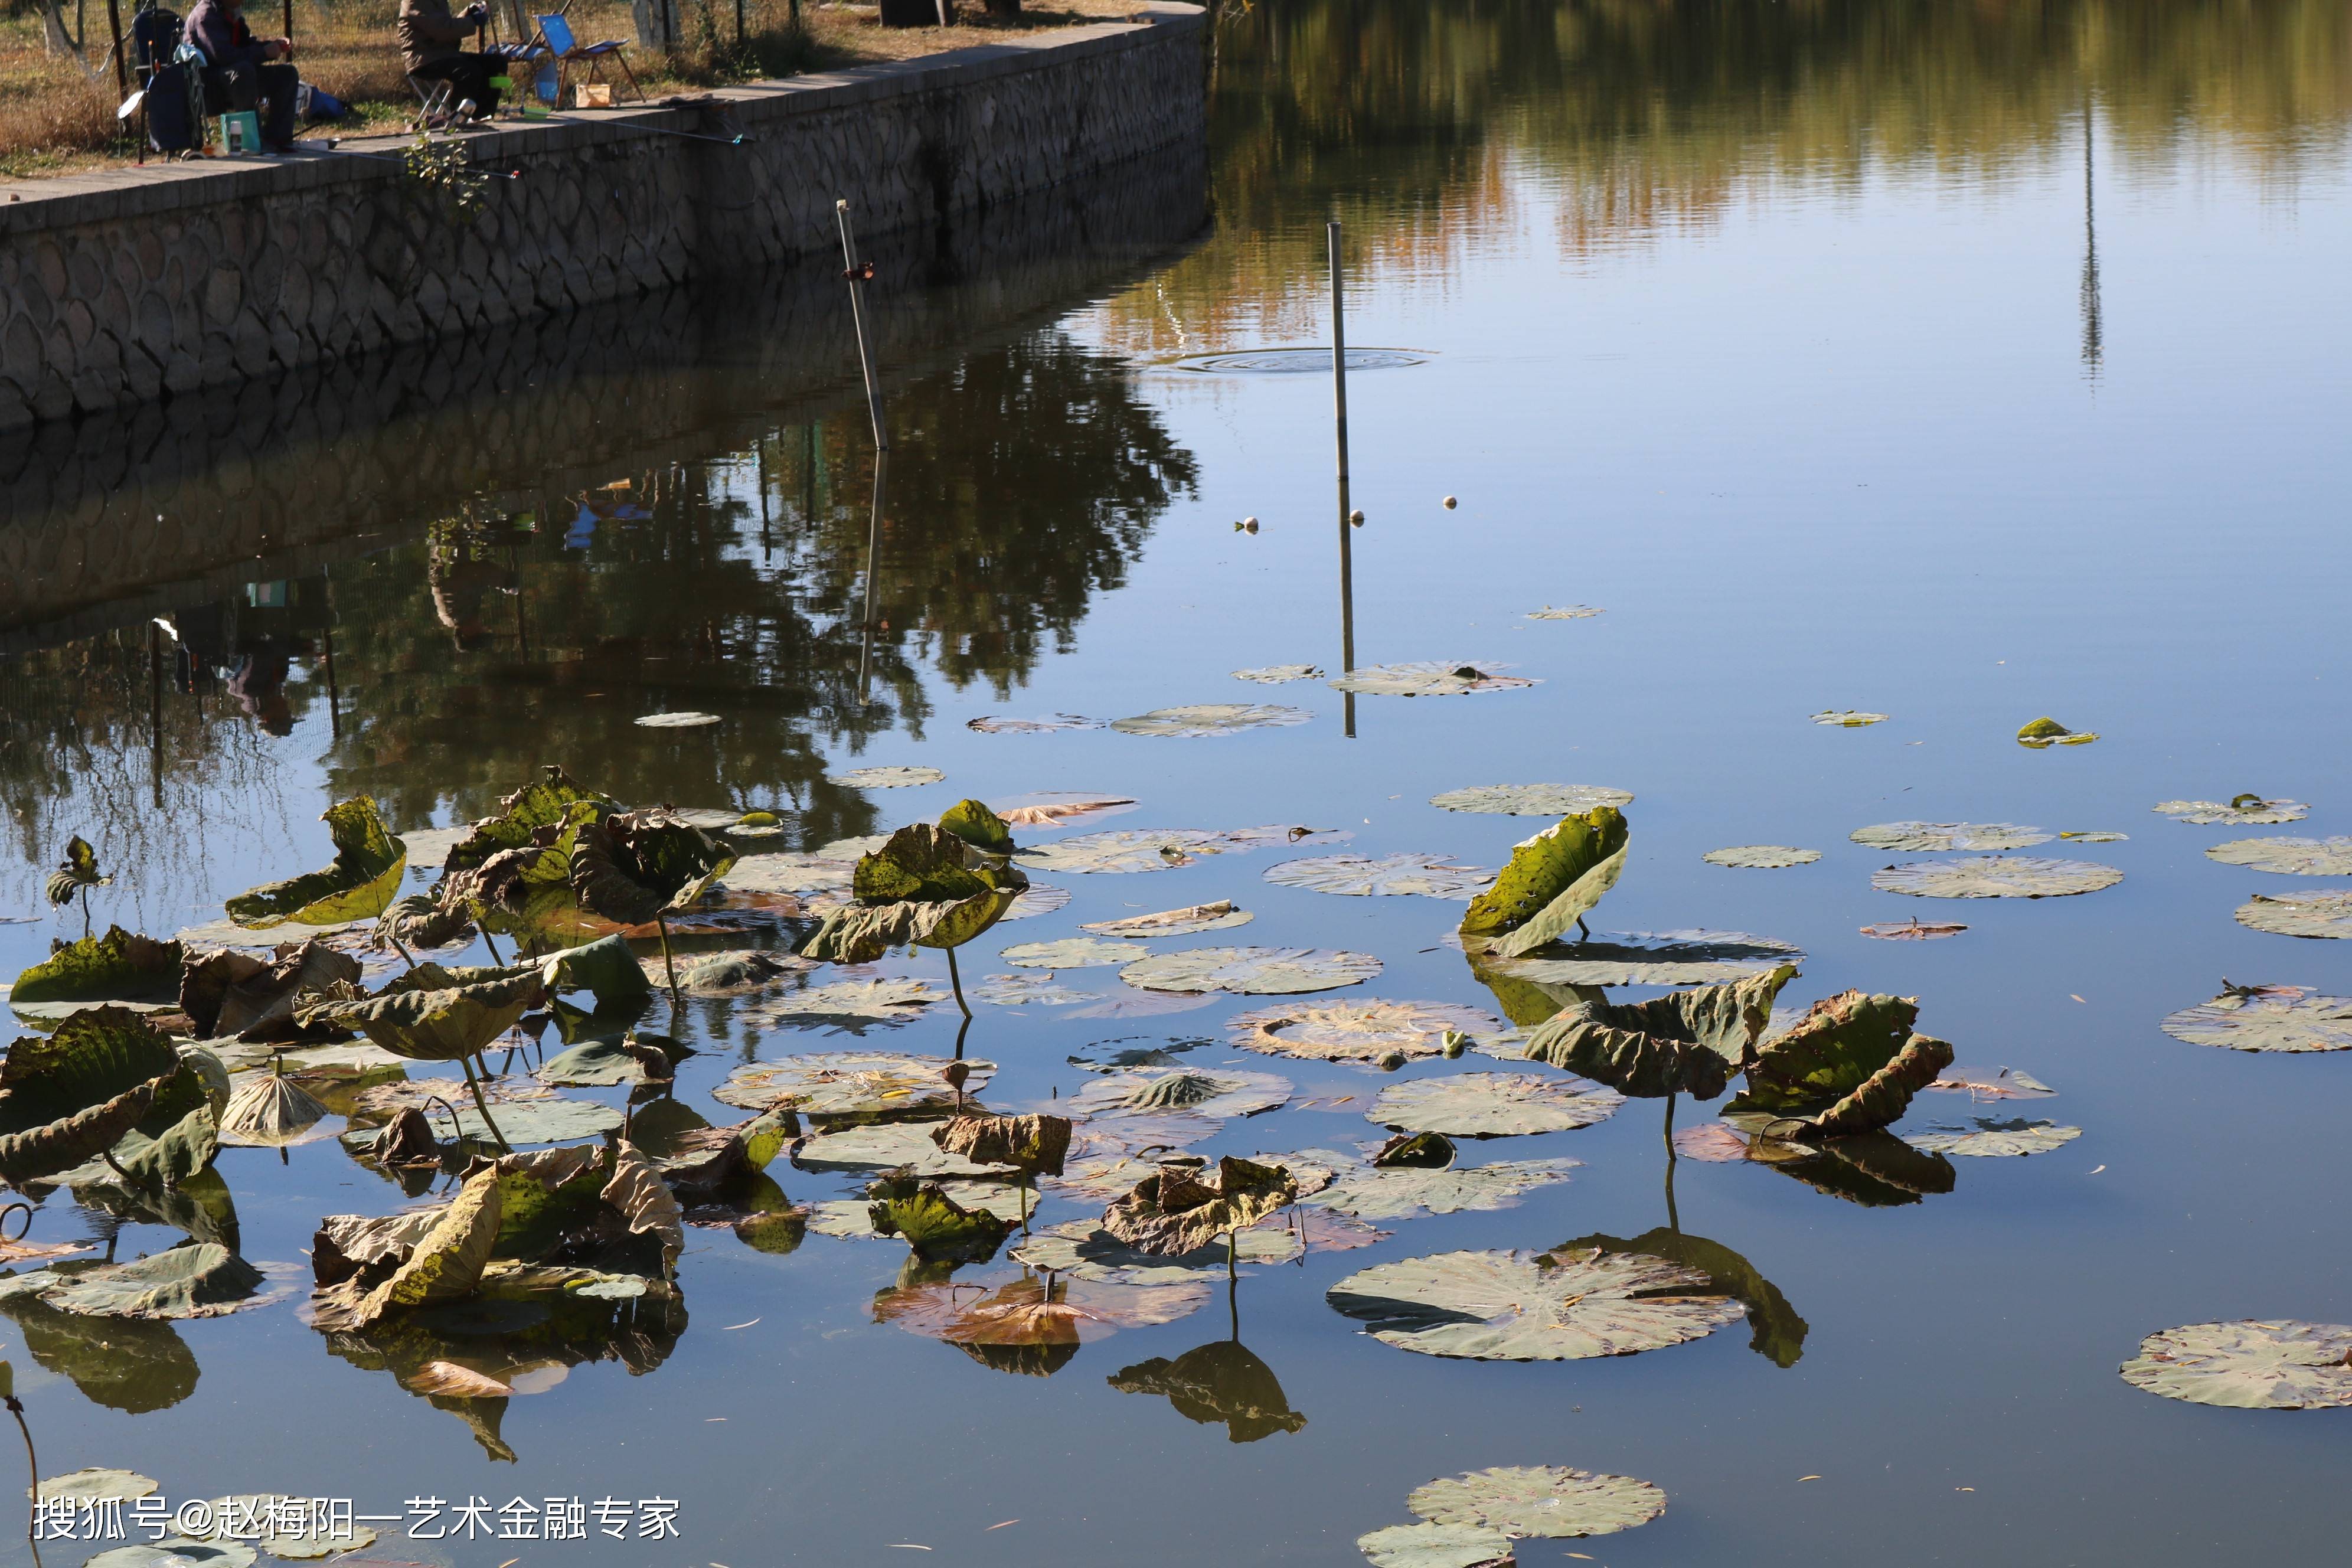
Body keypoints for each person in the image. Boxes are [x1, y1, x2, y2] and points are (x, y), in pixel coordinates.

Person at [182, 0, 299, 152]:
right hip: (208, 87)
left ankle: (279, 140)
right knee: (243, 71)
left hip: (235, 77)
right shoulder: (205, 17)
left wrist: (272, 46)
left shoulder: (230, 12)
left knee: (287, 75)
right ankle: (252, 141)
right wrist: (263, 53)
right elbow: (223, 56)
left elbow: (245, 46)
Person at [400, 0, 503, 119]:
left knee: (497, 63)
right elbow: (441, 31)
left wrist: (468, 13)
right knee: (469, 71)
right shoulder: (415, 2)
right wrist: (473, 21)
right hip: (423, 59)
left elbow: (447, 26)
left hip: (444, 54)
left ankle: (482, 116)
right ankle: (457, 119)